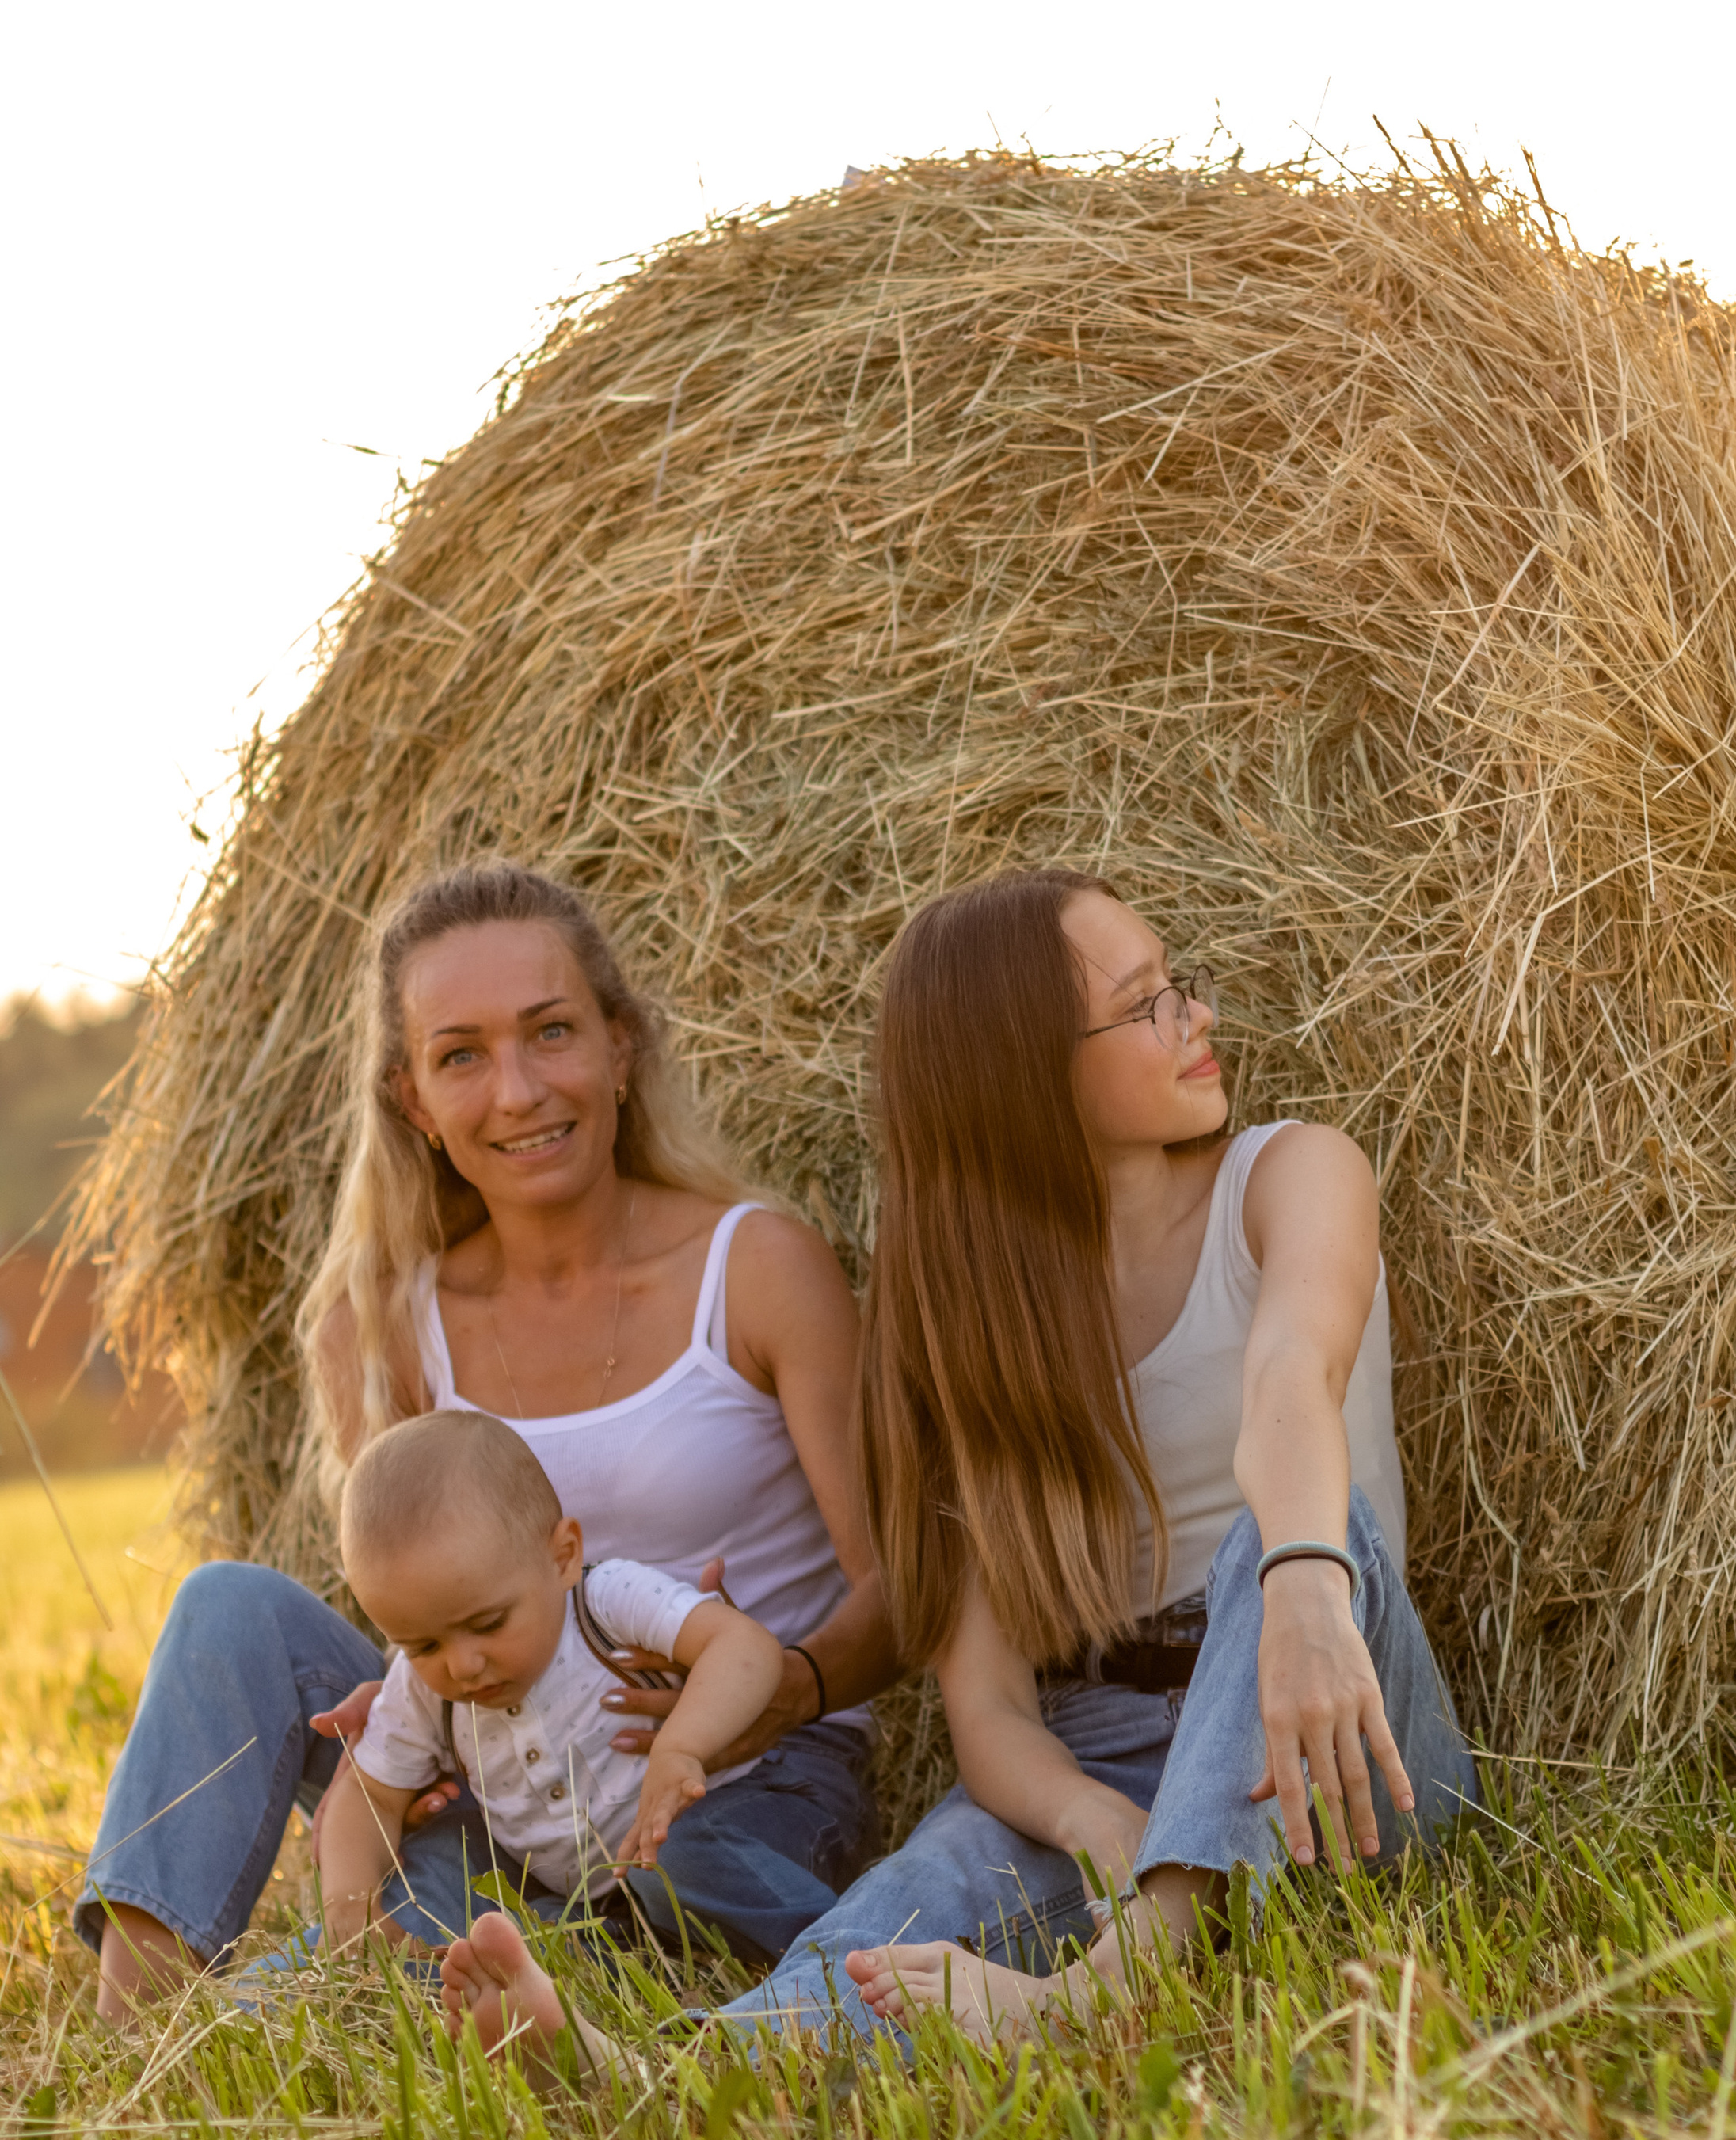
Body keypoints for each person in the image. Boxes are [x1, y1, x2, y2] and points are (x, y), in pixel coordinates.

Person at [434, 865, 1475, 2071]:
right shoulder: (961, 1318)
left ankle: (1107, 1993)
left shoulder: (1291, 1178)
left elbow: (1292, 1381)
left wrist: (1303, 1589)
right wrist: (1091, 1819)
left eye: (1175, 989)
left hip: (1333, 1700)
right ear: (1029, 1072)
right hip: (1092, 1748)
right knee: (911, 1905)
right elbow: (986, 1704)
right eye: (1148, 1006)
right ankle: (669, 2079)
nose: (1199, 1019)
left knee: (1288, 1528)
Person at [80, 860, 898, 2023]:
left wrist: (772, 1691)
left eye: (551, 1033)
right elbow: (419, 1591)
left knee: (663, 1889)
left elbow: (902, 1588)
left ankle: (462, 1964)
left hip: (731, 1774)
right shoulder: (385, 1325)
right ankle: (139, 2021)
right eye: (461, 1054)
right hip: (503, 1766)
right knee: (228, 1611)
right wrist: (401, 1709)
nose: (516, 1091)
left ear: (620, 1047)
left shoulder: (755, 1270)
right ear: (413, 1098)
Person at [321, 1411, 785, 1949]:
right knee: (515, 1932)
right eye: (423, 1646)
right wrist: (350, 1909)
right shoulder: (420, 1687)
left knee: (677, 1864)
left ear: (562, 1557)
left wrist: (682, 1746)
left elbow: (746, 1646)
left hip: (738, 1814)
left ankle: (822, 1954)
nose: (462, 1666)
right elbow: (369, 1793)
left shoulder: (605, 1603)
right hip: (590, 1897)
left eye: (488, 1624)